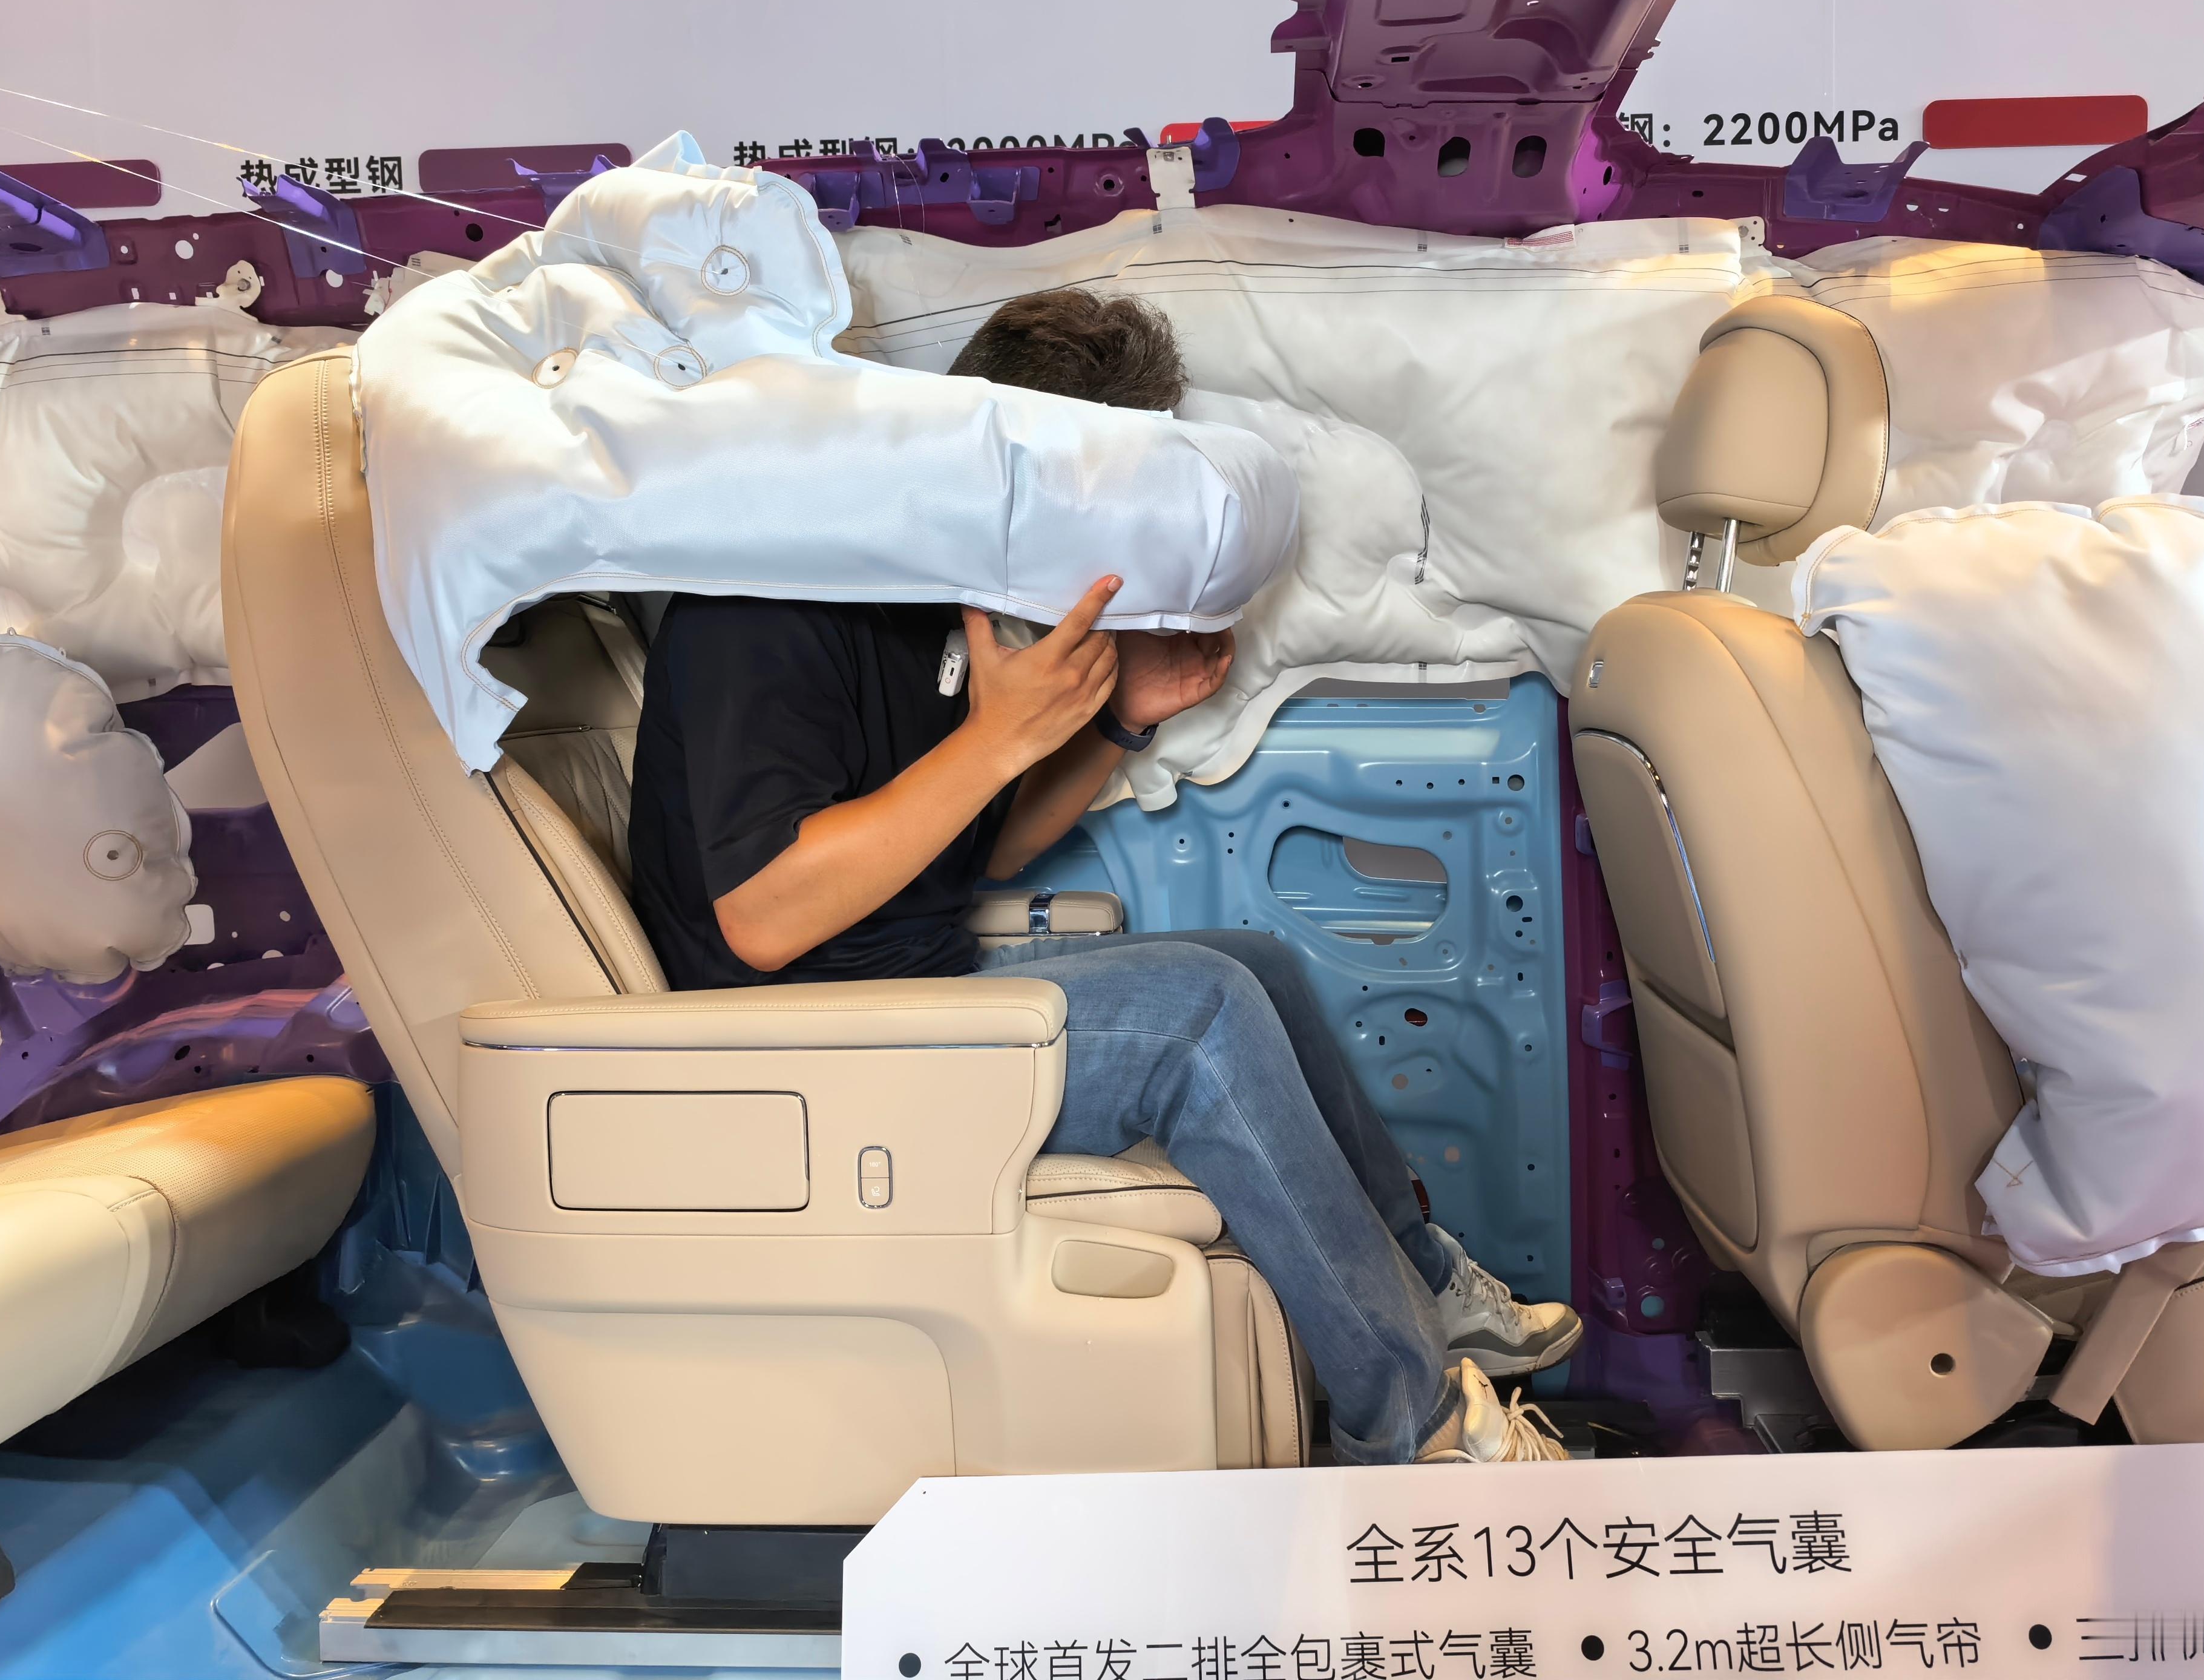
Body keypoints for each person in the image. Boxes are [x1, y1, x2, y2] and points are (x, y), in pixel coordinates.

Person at [628, 288, 1579, 1465]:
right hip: (798, 1052)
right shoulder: (770, 598)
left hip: (904, 997)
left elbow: (976, 852)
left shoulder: (954, 597)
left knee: (1256, 964)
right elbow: (764, 919)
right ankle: (1417, 1431)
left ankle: (1425, 1286)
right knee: (1199, 1010)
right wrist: (996, 741)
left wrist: (1121, 724)